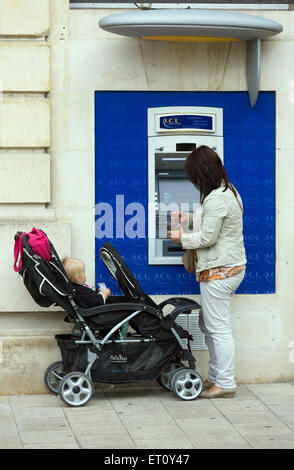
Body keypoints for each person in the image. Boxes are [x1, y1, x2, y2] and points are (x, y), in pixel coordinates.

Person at [168, 145, 246, 399]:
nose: (194, 181)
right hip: (224, 269)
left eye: (194, 176)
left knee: (218, 328)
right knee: (209, 324)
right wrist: (188, 217)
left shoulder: (217, 197)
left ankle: (224, 382)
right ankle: (215, 377)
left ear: (203, 172)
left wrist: (182, 237)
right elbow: (213, 221)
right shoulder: (226, 192)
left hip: (220, 272)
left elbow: (209, 237)